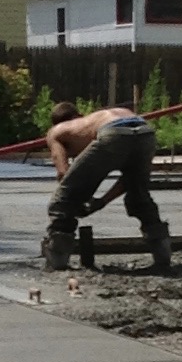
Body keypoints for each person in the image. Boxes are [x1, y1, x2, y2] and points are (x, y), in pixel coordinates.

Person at [40, 101, 171, 272]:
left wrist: (76, 199)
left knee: (62, 202)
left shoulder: (56, 132)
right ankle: (163, 258)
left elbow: (63, 174)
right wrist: (101, 202)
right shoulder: (93, 120)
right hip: (145, 131)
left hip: (112, 132)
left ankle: (57, 262)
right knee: (139, 195)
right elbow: (128, 180)